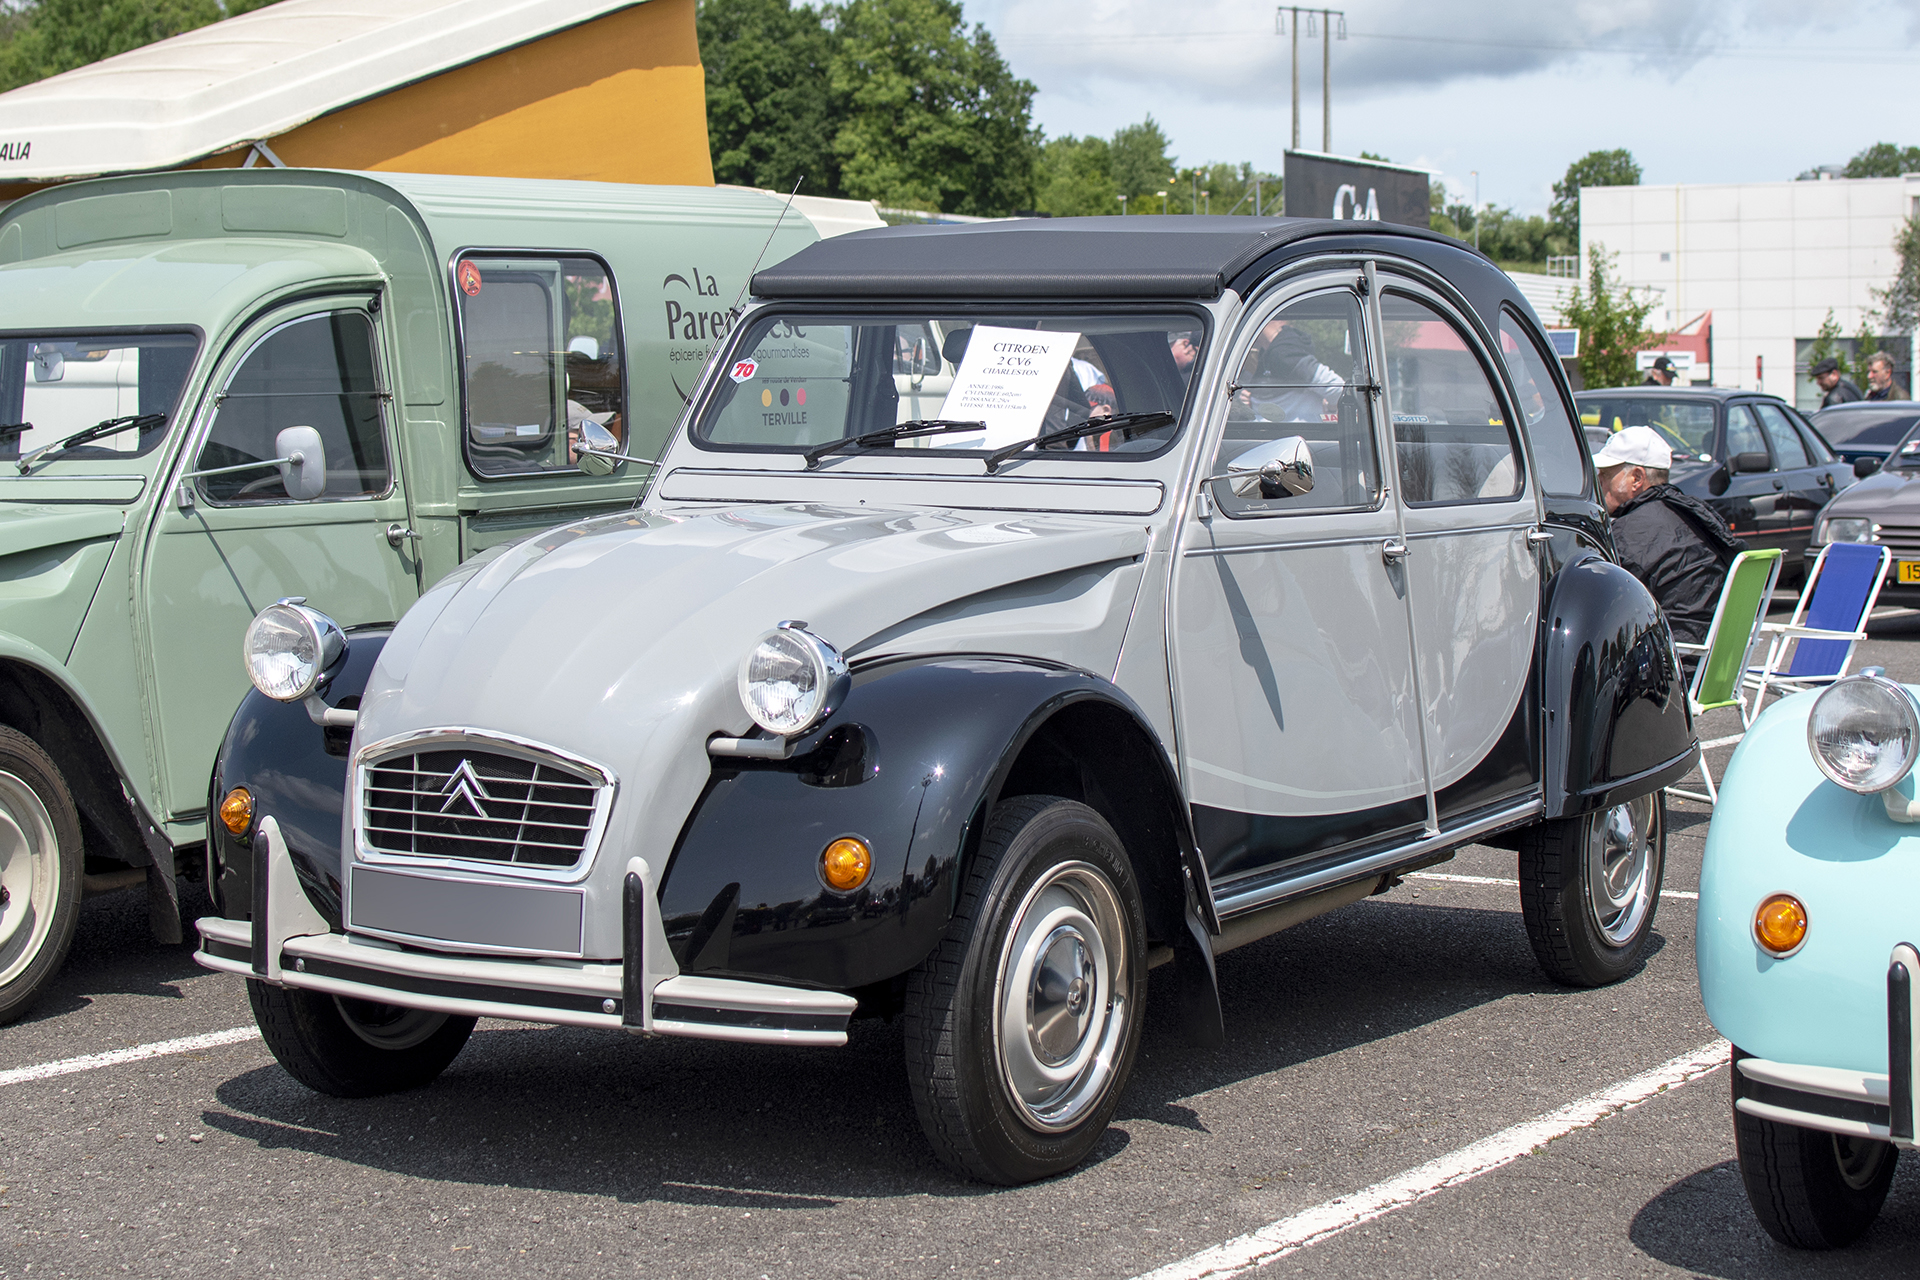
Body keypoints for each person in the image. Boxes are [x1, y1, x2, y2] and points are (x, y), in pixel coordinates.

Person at [1593, 426, 1745, 651]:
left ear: (1636, 478)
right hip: (1714, 657)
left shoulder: (1633, 530)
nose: (1599, 482)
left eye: (1605, 475)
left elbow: (1601, 604)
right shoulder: (1696, 513)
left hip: (1671, 665)